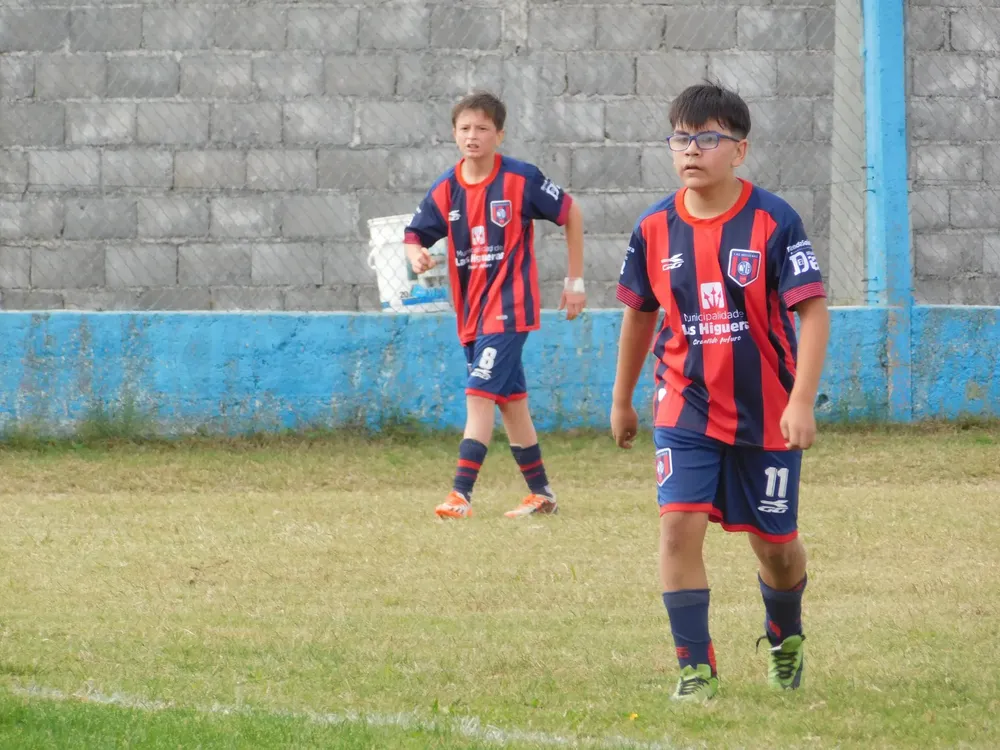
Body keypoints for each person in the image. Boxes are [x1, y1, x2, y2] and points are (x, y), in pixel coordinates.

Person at [610, 83, 831, 700]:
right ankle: (695, 669)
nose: (692, 150)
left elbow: (812, 312)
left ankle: (785, 636)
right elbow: (639, 314)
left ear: (739, 150)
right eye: (682, 138)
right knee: (677, 527)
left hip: (766, 412)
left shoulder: (774, 220)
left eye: (709, 138)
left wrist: (801, 400)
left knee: (777, 548)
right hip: (683, 404)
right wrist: (623, 398)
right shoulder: (653, 227)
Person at [404, 91, 586, 519]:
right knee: (512, 402)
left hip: (509, 309)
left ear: (498, 135)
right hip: (470, 314)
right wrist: (415, 255)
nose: (473, 136)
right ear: (454, 134)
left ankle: (460, 495)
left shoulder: (521, 179)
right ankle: (543, 493)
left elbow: (571, 213)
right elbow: (414, 233)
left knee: (479, 395)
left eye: (482, 128)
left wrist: (575, 281)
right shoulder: (446, 188)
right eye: (465, 128)